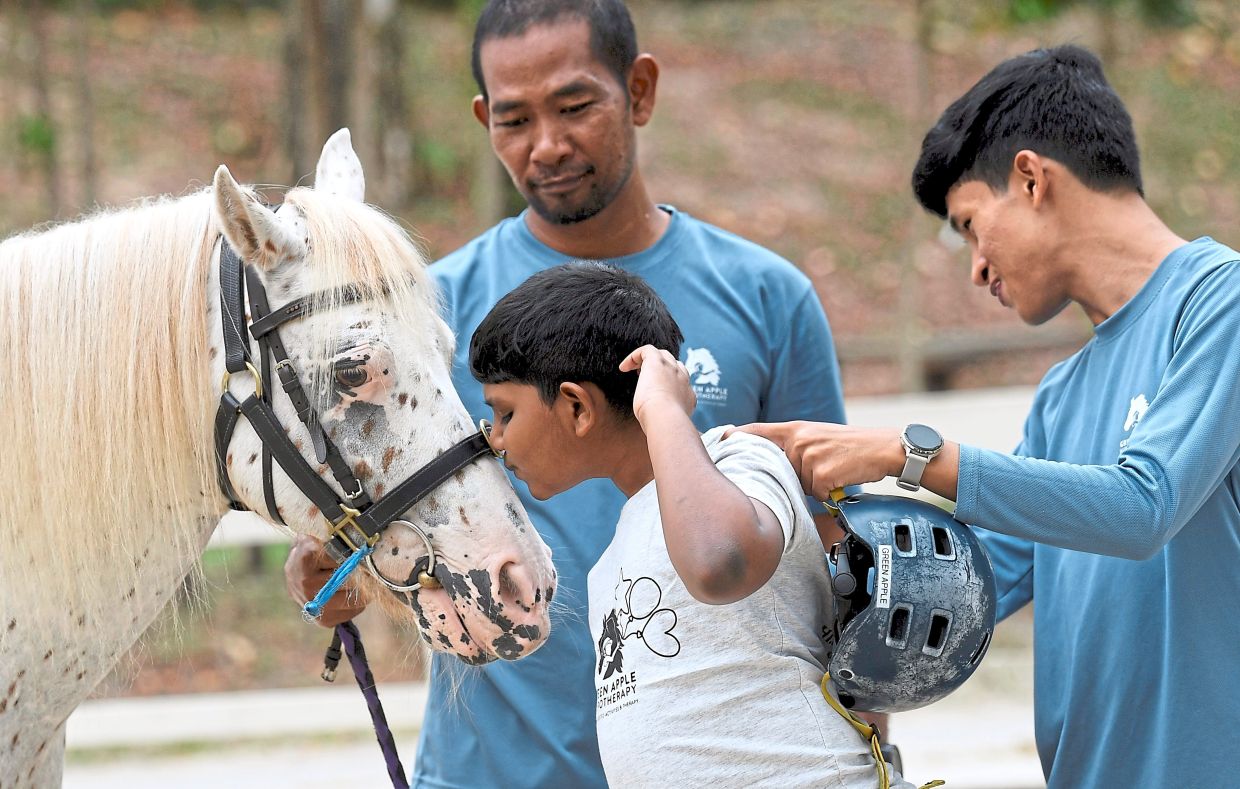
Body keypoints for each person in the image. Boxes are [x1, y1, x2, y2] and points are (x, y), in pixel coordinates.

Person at [284, 1, 849, 786]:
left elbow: (834, 548)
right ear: (484, 119)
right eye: (514, 119)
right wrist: (340, 578)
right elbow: (385, 523)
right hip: (492, 768)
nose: (547, 144)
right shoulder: (426, 319)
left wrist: (868, 740)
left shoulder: (766, 298)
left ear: (640, 90)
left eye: (576, 105)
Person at [735, 44, 1240, 787]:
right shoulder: (1063, 395)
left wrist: (904, 453)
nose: (974, 266)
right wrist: (780, 540)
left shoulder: (1218, 304)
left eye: (970, 224)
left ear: (1032, 179)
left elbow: (1142, 505)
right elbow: (964, 581)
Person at [470, 261, 911, 788]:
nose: (495, 439)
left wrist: (660, 409)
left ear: (576, 407)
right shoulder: (610, 562)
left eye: (505, 413)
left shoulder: (739, 460)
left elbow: (718, 565)